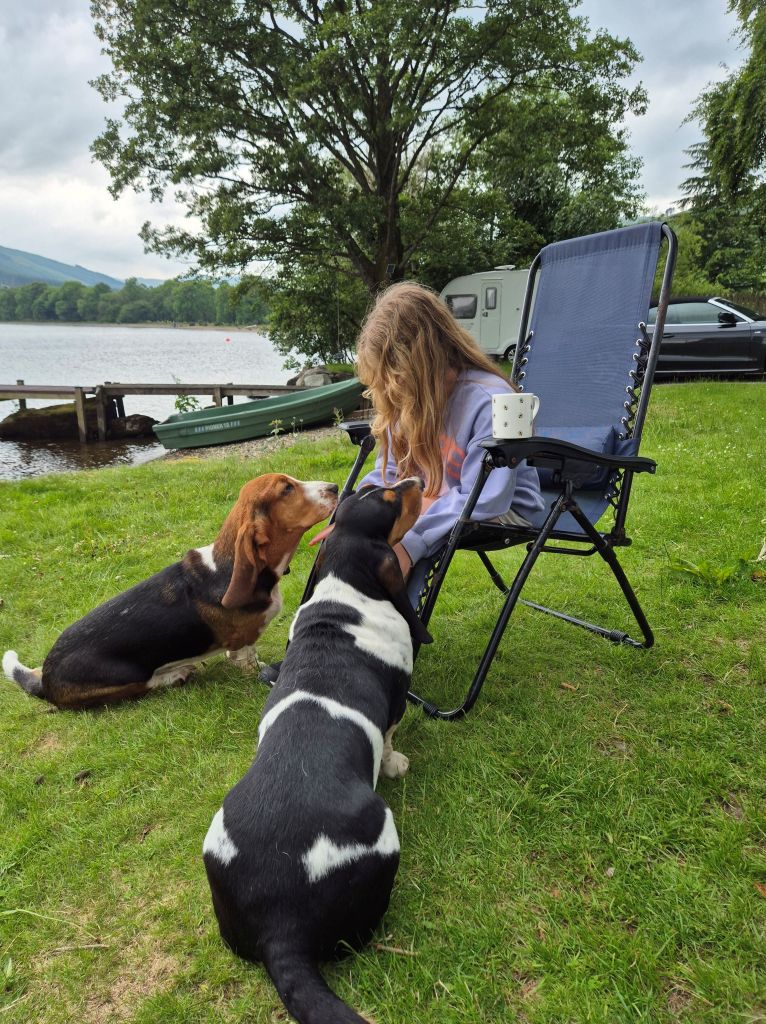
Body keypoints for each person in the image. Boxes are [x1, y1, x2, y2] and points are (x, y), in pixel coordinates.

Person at [311, 281, 544, 604]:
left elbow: (487, 500)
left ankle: (384, 636)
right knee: (351, 539)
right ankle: (333, 631)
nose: (393, 388)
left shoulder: (492, 401)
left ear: (423, 362)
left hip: (500, 510)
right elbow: (388, 472)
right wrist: (355, 516)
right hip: (434, 498)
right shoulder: (407, 398)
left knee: (390, 551)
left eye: (396, 375)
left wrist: (411, 543)